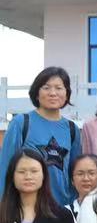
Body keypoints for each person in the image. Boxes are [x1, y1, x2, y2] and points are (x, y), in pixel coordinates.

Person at [0, 66, 81, 205]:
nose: (53, 93)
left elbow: (75, 172)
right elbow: (6, 168)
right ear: (36, 93)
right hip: (28, 207)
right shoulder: (21, 123)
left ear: (67, 94)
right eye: (46, 87)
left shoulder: (72, 129)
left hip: (62, 208)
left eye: (59, 88)